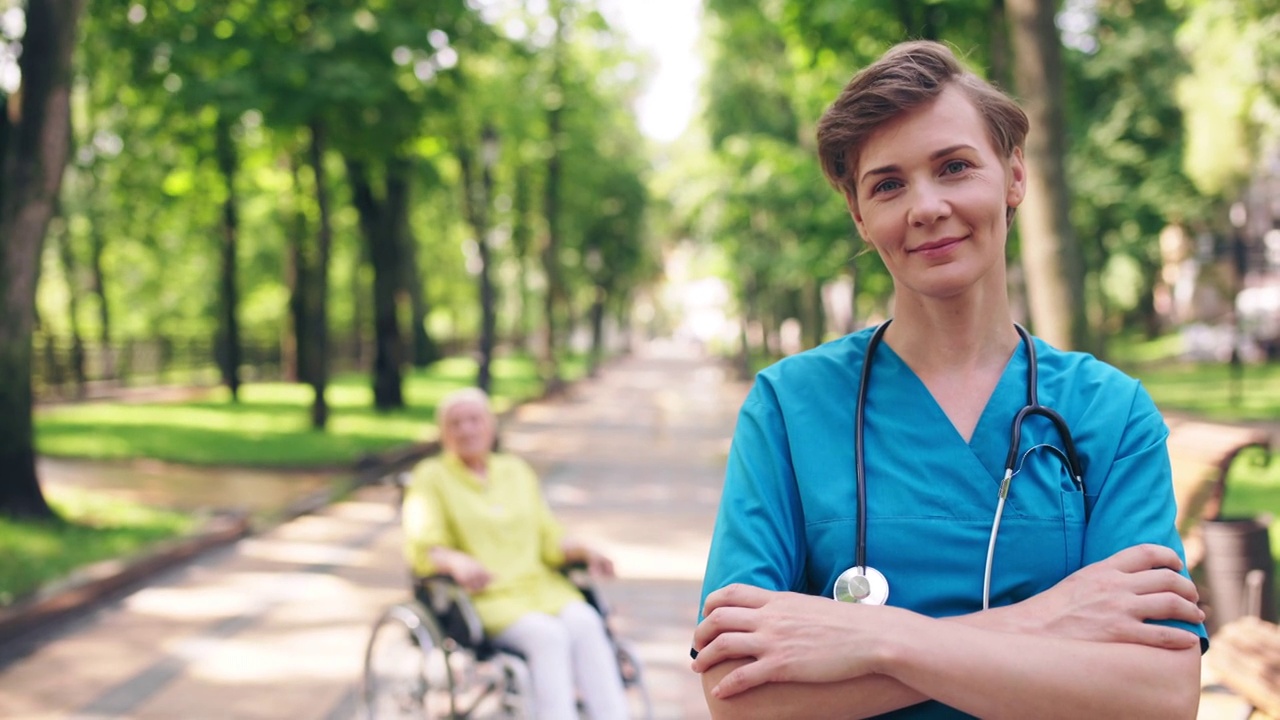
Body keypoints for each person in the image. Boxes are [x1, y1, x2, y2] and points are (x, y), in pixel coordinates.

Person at [690, 40, 1207, 719]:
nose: (926, 206)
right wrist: (1046, 619)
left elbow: (1160, 695)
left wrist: (867, 641)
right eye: (888, 184)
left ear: (1014, 175)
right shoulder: (790, 408)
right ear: (859, 217)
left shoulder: (1108, 414)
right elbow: (737, 696)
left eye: (954, 167)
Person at [402, 387, 630, 720]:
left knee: (587, 622)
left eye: (474, 420)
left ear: (491, 427)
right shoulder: (431, 477)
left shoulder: (516, 471)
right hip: (486, 597)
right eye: (456, 423)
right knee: (548, 637)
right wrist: (454, 560)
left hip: (542, 588)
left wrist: (585, 549)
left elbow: (549, 539)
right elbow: (423, 547)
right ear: (443, 433)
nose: (466, 430)